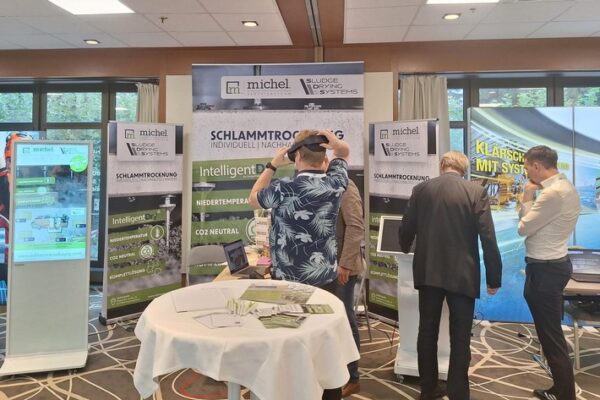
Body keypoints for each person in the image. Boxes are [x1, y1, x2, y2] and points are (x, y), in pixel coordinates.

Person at [248, 129, 351, 400]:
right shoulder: (336, 183)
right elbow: (344, 152)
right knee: (325, 347)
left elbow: (253, 198)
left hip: (287, 286)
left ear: (296, 158)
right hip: (325, 282)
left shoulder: (283, 188)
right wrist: (335, 143)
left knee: (288, 346)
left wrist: (272, 165)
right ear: (324, 159)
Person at [399, 151, 502, 400]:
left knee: (427, 331)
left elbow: (406, 227)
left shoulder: (421, 189)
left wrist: (404, 245)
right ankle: (459, 393)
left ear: (442, 165)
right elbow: (488, 236)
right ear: (463, 169)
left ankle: (428, 389)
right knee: (460, 335)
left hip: (428, 271)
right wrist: (493, 277)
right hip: (462, 274)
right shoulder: (476, 191)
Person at [518, 145, 580, 400]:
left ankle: (565, 394)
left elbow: (523, 227)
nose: (526, 173)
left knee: (551, 337)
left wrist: (527, 195)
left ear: (536, 166)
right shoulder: (565, 186)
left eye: (526, 167)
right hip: (552, 266)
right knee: (550, 335)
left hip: (545, 270)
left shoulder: (552, 194)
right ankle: (561, 390)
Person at [335, 178, 364, 398]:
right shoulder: (320, 183)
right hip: (325, 268)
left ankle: (352, 377)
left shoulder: (345, 185)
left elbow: (355, 226)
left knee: (345, 319)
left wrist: (344, 263)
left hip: (344, 269)